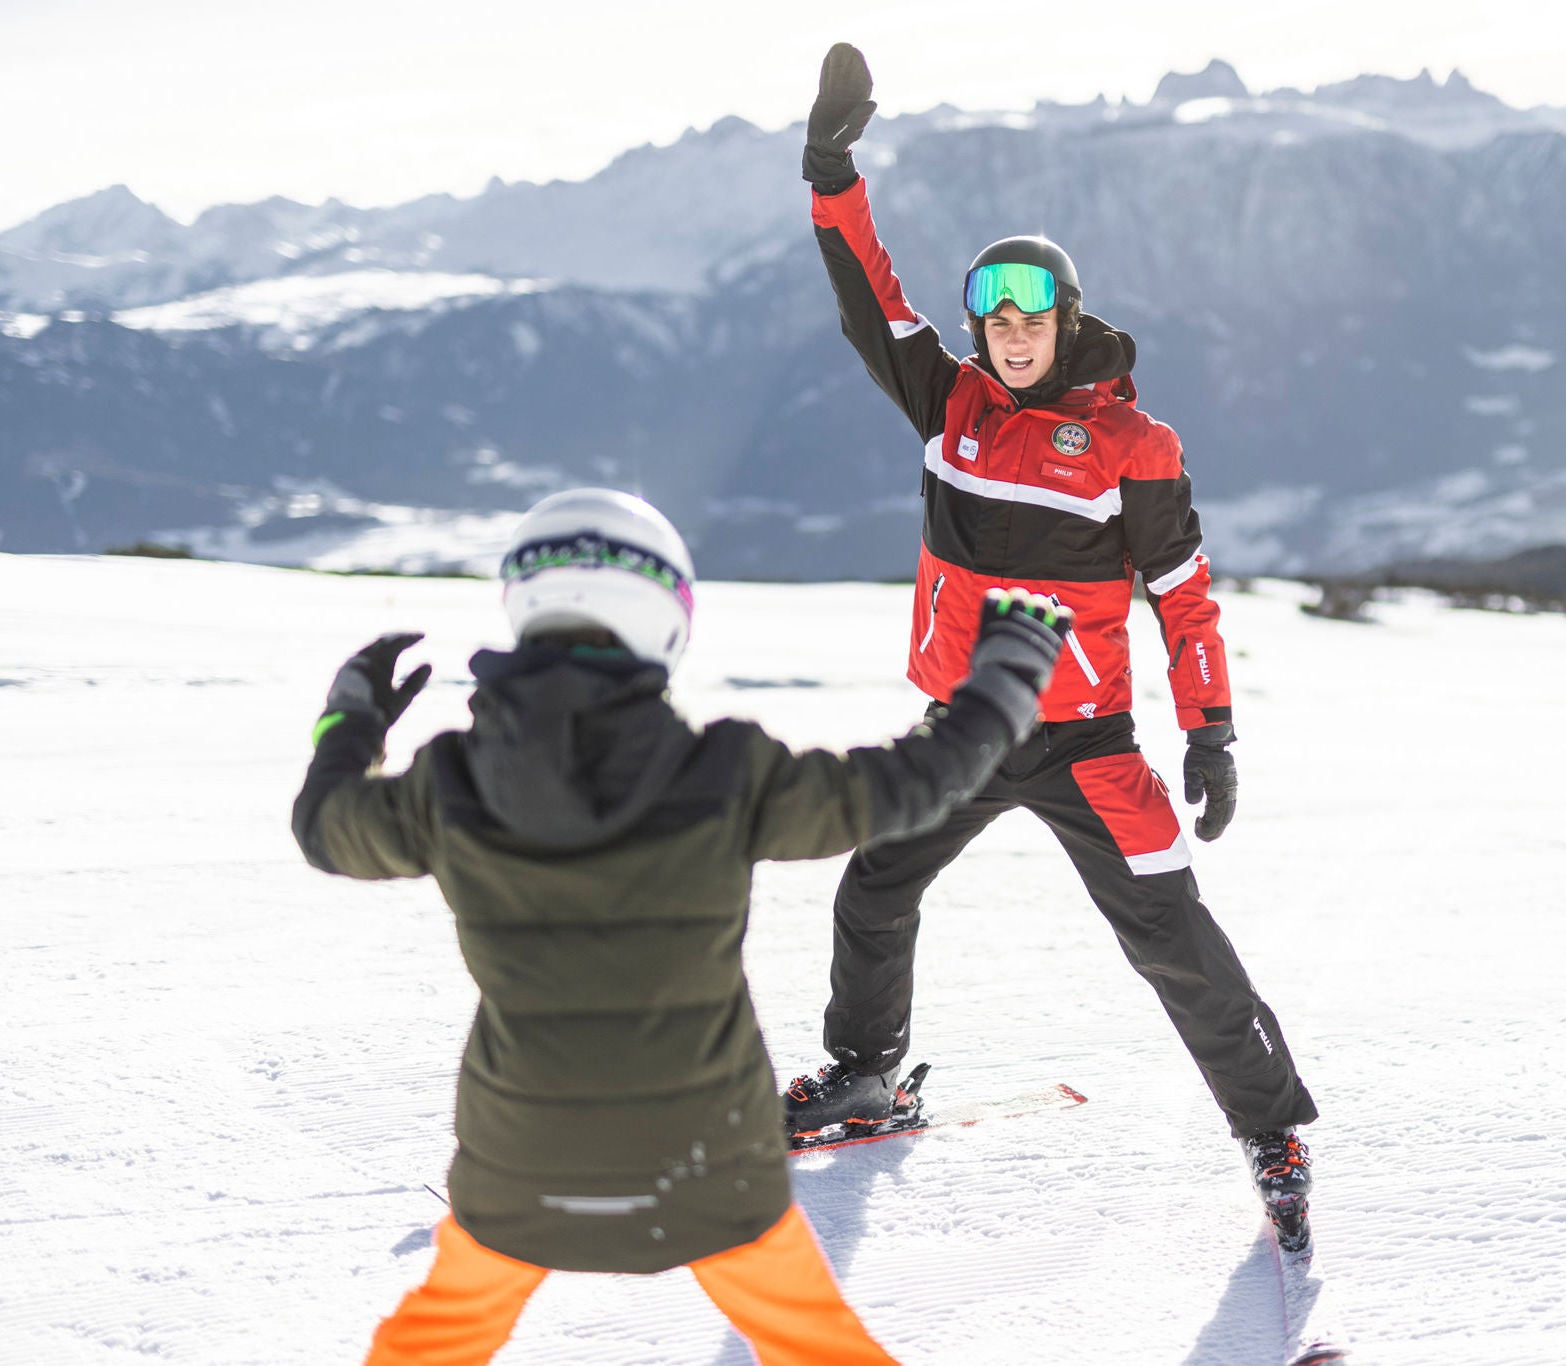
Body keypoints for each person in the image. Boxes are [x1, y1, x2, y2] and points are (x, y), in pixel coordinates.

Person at [291, 487, 1072, 1365]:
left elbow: (326, 829)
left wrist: (349, 720)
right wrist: (1009, 670)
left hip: (521, 1173)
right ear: (664, 617)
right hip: (709, 1174)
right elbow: (914, 784)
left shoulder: (450, 783)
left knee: (434, 1341)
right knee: (819, 1346)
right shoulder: (723, 771)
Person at [782, 44, 1320, 1251]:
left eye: (1031, 311)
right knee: (875, 886)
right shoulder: (948, 400)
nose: (1011, 328)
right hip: (960, 728)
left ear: (1064, 320)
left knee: (1170, 937)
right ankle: (865, 1071)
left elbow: (1182, 592)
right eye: (994, 310)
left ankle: (1269, 1132)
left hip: (1084, 742)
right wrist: (829, 168)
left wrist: (1210, 729)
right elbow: (868, 288)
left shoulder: (1133, 443)